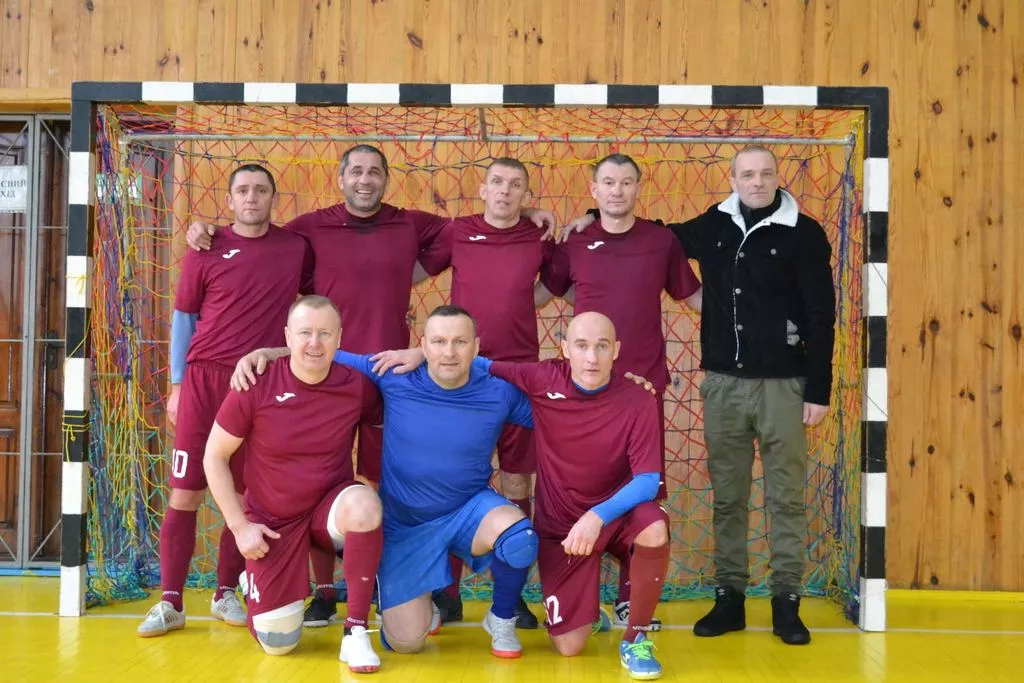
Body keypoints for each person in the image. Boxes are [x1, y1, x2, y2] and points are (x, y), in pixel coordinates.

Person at [186, 146, 554, 627]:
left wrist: (527, 209)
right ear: (341, 178)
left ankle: (418, 586)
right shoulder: (309, 227)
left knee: (399, 482)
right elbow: (256, 231)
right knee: (322, 480)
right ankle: (324, 591)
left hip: (390, 377)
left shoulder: (411, 224)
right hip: (328, 372)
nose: (365, 179)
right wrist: (208, 231)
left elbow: (494, 218)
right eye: (356, 171)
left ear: (386, 179)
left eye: (374, 172)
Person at [232, 305, 540, 659]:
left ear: (476, 346)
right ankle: (418, 593)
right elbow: (323, 351)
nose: (449, 352)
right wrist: (266, 353)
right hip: (406, 526)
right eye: (439, 342)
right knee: (407, 644)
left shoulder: (499, 392)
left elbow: (555, 408)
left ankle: (501, 617)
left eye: (460, 342)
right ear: (423, 344)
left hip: (468, 510)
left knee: (520, 539)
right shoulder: (393, 374)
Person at [375, 312, 670, 679]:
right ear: (565, 349)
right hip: (563, 526)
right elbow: (468, 360)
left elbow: (648, 482)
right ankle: (586, 613)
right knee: (568, 647)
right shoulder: (542, 379)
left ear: (616, 350)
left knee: (654, 527)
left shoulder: (637, 397)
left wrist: (597, 517)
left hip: (612, 516)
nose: (592, 358)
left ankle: (636, 638)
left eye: (602, 346)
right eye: (581, 346)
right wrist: (421, 353)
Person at [667, 146, 836, 645]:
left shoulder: (804, 233)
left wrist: (818, 388)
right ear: (734, 179)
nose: (756, 182)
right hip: (723, 386)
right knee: (729, 498)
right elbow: (657, 236)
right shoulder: (713, 224)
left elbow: (820, 315)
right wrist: (596, 217)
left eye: (764, 174)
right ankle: (730, 600)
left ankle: (786, 602)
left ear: (777, 177)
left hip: (785, 387)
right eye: (747, 174)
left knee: (785, 497)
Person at [137, 164, 314, 638]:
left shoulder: (295, 247)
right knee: (186, 491)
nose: (251, 197)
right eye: (243, 190)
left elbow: (313, 306)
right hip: (203, 381)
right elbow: (183, 317)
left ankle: (225, 592)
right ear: (230, 200)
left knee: (243, 496)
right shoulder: (205, 247)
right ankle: (171, 601)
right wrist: (177, 385)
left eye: (261, 190)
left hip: (258, 382)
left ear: (273, 198)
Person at [544, 153, 702, 628]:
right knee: (586, 483)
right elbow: (552, 290)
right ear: (594, 191)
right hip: (585, 391)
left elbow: (693, 297)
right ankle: (578, 589)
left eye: (626, 182)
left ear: (638, 188)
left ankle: (629, 599)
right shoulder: (574, 241)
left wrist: (752, 318)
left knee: (644, 491)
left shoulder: (661, 241)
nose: (617, 190)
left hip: (642, 387)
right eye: (608, 183)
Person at [202, 296, 385, 671]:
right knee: (279, 644)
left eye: (325, 334)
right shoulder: (256, 383)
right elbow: (214, 456)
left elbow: (377, 422)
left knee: (365, 505)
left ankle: (355, 631)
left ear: (339, 339)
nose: (314, 343)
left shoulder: (357, 386)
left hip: (325, 515)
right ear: (287, 337)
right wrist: (240, 527)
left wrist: (368, 477)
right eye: (305, 333)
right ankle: (257, 580)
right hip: (273, 524)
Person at [416, 157, 558, 629]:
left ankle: (509, 597)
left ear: (525, 194)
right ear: (482, 188)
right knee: (449, 480)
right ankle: (446, 593)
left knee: (518, 484)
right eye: (497, 182)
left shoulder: (538, 236)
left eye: (516, 185)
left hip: (517, 377)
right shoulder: (458, 231)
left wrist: (518, 303)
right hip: (462, 376)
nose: (504, 191)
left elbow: (556, 284)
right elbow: (411, 269)